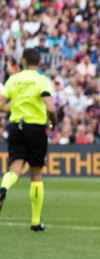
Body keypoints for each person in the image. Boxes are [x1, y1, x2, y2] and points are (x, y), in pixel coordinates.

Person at [0, 48, 57, 231]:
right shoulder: (41, 80)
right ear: (39, 62)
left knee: (15, 166)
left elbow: (1, 104)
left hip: (16, 127)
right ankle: (35, 222)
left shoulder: (13, 79)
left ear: (23, 60)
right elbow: (50, 106)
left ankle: (3, 188)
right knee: (36, 174)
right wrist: (53, 121)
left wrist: (14, 107)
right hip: (35, 128)